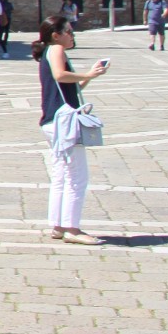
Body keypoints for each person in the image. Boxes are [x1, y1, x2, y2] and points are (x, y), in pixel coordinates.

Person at [34, 15, 108, 244]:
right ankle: (72, 229)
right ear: (56, 35)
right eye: (68, 31)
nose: (72, 34)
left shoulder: (50, 51)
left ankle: (57, 225)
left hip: (52, 121)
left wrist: (90, 76)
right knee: (77, 177)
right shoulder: (56, 49)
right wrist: (87, 74)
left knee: (60, 175)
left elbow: (68, 86)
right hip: (63, 122)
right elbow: (60, 75)